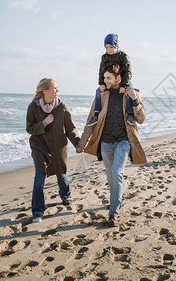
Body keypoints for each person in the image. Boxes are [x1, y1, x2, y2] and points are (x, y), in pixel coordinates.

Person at [77, 63, 146, 227]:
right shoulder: (102, 95)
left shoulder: (130, 94)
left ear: (119, 78)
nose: (105, 81)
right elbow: (91, 122)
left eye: (109, 78)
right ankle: (116, 199)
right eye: (104, 77)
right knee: (110, 177)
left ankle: (113, 214)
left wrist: (135, 100)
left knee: (117, 173)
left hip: (123, 141)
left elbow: (141, 119)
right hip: (105, 143)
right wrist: (82, 143)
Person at [26, 78, 80, 223]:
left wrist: (78, 144)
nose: (57, 90)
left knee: (61, 173)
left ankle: (66, 196)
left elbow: (70, 129)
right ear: (45, 91)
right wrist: (44, 123)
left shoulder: (62, 107)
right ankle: (37, 211)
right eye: (54, 88)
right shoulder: (33, 107)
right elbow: (29, 129)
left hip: (58, 146)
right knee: (39, 176)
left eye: (56, 88)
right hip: (39, 146)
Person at [86, 33, 136, 127]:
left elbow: (128, 71)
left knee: (130, 88)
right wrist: (101, 83)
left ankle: (130, 114)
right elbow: (101, 72)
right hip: (109, 81)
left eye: (111, 47)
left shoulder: (123, 56)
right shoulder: (104, 57)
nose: (109, 50)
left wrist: (123, 85)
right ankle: (96, 115)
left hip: (123, 80)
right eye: (106, 47)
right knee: (98, 91)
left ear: (116, 46)